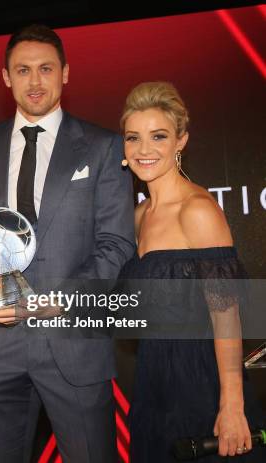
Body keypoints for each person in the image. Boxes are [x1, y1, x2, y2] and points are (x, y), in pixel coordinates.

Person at [0, 24, 135, 462]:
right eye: (23, 70)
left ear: (65, 73)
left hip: (73, 338)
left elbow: (116, 245)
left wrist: (56, 300)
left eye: (45, 69)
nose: (34, 81)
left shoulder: (103, 146)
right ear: (6, 77)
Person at [119, 81, 265, 461]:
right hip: (153, 383)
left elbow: (226, 317)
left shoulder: (197, 210)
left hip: (202, 382)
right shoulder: (138, 217)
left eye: (159, 136)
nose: (144, 150)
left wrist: (231, 406)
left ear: (181, 141)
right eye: (133, 138)